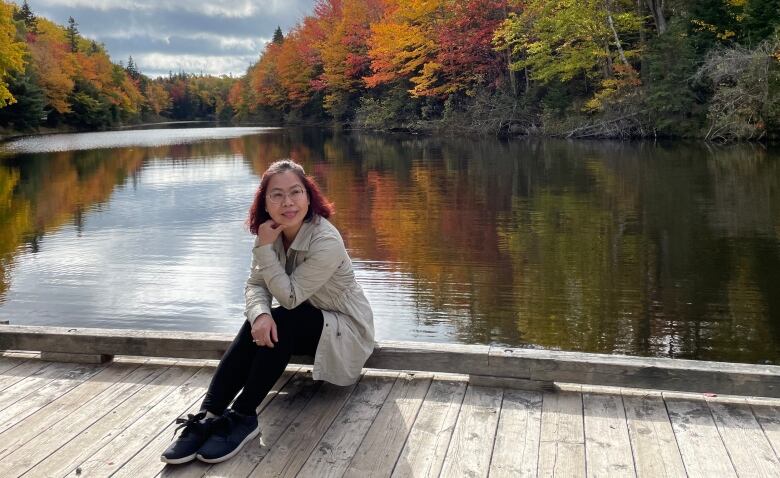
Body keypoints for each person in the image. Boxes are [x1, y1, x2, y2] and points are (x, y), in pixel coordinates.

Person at [161, 159, 375, 465]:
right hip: (304, 323)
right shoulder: (271, 235)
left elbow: (289, 297)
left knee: (284, 319)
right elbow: (254, 285)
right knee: (259, 320)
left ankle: (244, 415)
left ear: (308, 196)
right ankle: (208, 414)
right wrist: (260, 314)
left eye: (295, 192)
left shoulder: (325, 240)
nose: (287, 202)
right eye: (277, 194)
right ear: (265, 201)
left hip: (345, 330)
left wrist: (263, 250)